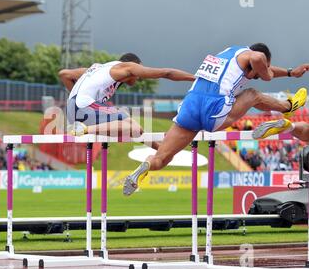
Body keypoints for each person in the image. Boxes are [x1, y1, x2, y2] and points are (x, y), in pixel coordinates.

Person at [123, 43, 308, 195]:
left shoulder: (228, 53)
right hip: (213, 108)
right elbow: (259, 59)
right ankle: (289, 106)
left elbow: (262, 64)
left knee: (162, 158)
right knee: (252, 94)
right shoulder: (252, 55)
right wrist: (266, 76)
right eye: (258, 73)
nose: (257, 76)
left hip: (190, 105)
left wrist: (290, 72)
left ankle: (145, 166)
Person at [58, 53, 195, 150]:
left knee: (133, 127)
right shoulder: (127, 68)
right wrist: (195, 79)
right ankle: (83, 129)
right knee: (133, 127)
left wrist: (77, 102)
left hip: (75, 108)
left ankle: (159, 149)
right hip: (84, 107)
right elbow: (166, 73)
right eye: (138, 72)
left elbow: (64, 74)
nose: (138, 77)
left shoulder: (98, 69)